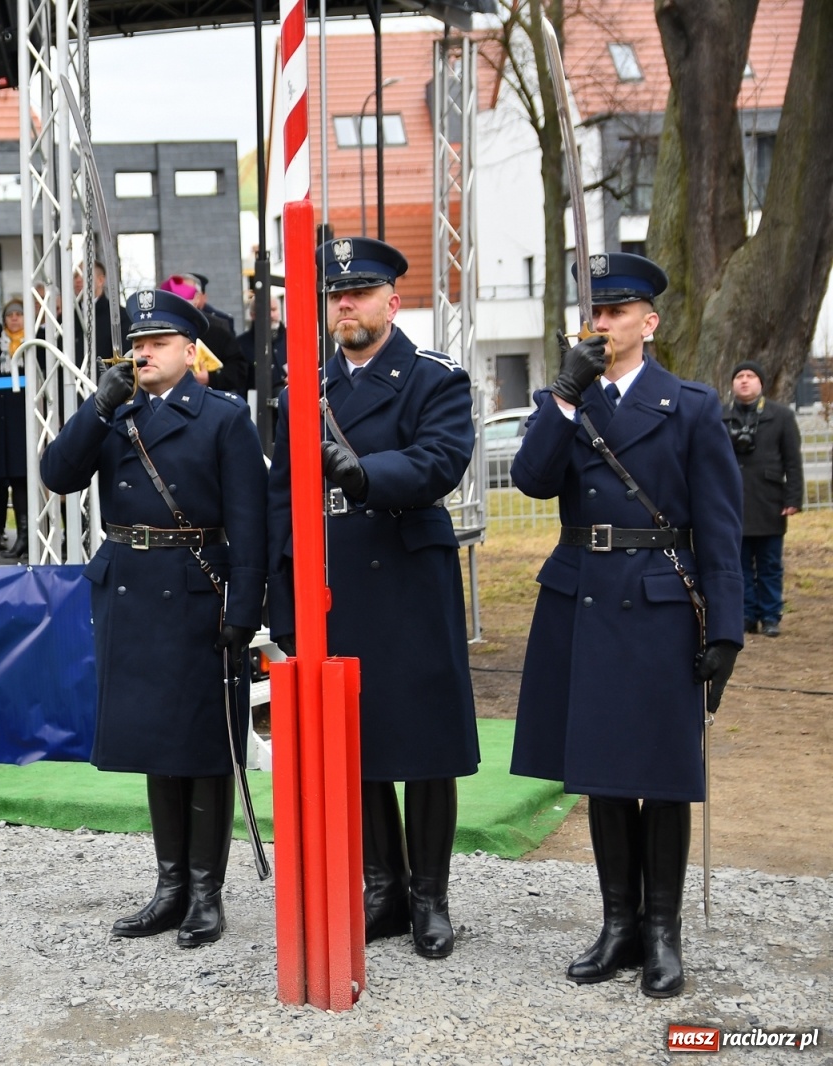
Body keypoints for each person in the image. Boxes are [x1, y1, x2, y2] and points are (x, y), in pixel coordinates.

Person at [509, 252, 743, 998]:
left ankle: (663, 932)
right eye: (595, 313)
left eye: (617, 312)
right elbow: (533, 481)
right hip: (582, 593)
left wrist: (726, 629)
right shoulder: (572, 399)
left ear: (650, 322)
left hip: (660, 600)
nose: (603, 324)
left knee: (662, 778)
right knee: (603, 774)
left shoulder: (692, 406)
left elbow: (719, 527)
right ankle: (618, 925)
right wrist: (565, 399)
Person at [267, 237, 479, 960]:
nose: (345, 304)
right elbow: (280, 499)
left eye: (359, 292)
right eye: (335, 294)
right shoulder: (304, 390)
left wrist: (362, 473)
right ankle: (381, 888)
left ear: (393, 300)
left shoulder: (433, 378)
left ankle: (430, 898)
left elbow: (440, 461)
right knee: (352, 745)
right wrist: (282, 593)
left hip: (408, 578)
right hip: (336, 580)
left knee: (423, 746)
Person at [40, 287, 267, 948]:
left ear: (190, 351)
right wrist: (98, 405)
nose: (143, 353)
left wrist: (245, 608)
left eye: (158, 342)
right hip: (131, 587)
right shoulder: (117, 413)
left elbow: (251, 524)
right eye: (137, 343)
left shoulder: (223, 418)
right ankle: (168, 887)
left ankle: (204, 893)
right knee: (154, 746)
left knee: (201, 748)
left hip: (195, 589)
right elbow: (57, 473)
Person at [723, 360, 803, 637]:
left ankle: (771, 615)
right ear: (732, 383)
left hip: (770, 502)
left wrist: (793, 497)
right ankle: (746, 614)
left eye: (751, 376)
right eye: (739, 376)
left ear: (761, 383)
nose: (744, 380)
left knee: (769, 564)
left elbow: (793, 462)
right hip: (733, 503)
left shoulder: (780, 416)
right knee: (739, 564)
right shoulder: (720, 417)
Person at [0, 297, 30, 558]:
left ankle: (36, 535)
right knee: (14, 481)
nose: (14, 318)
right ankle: (21, 536)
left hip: (29, 422)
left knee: (29, 480)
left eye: (19, 313)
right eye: (9, 314)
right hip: (3, 422)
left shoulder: (37, 343)